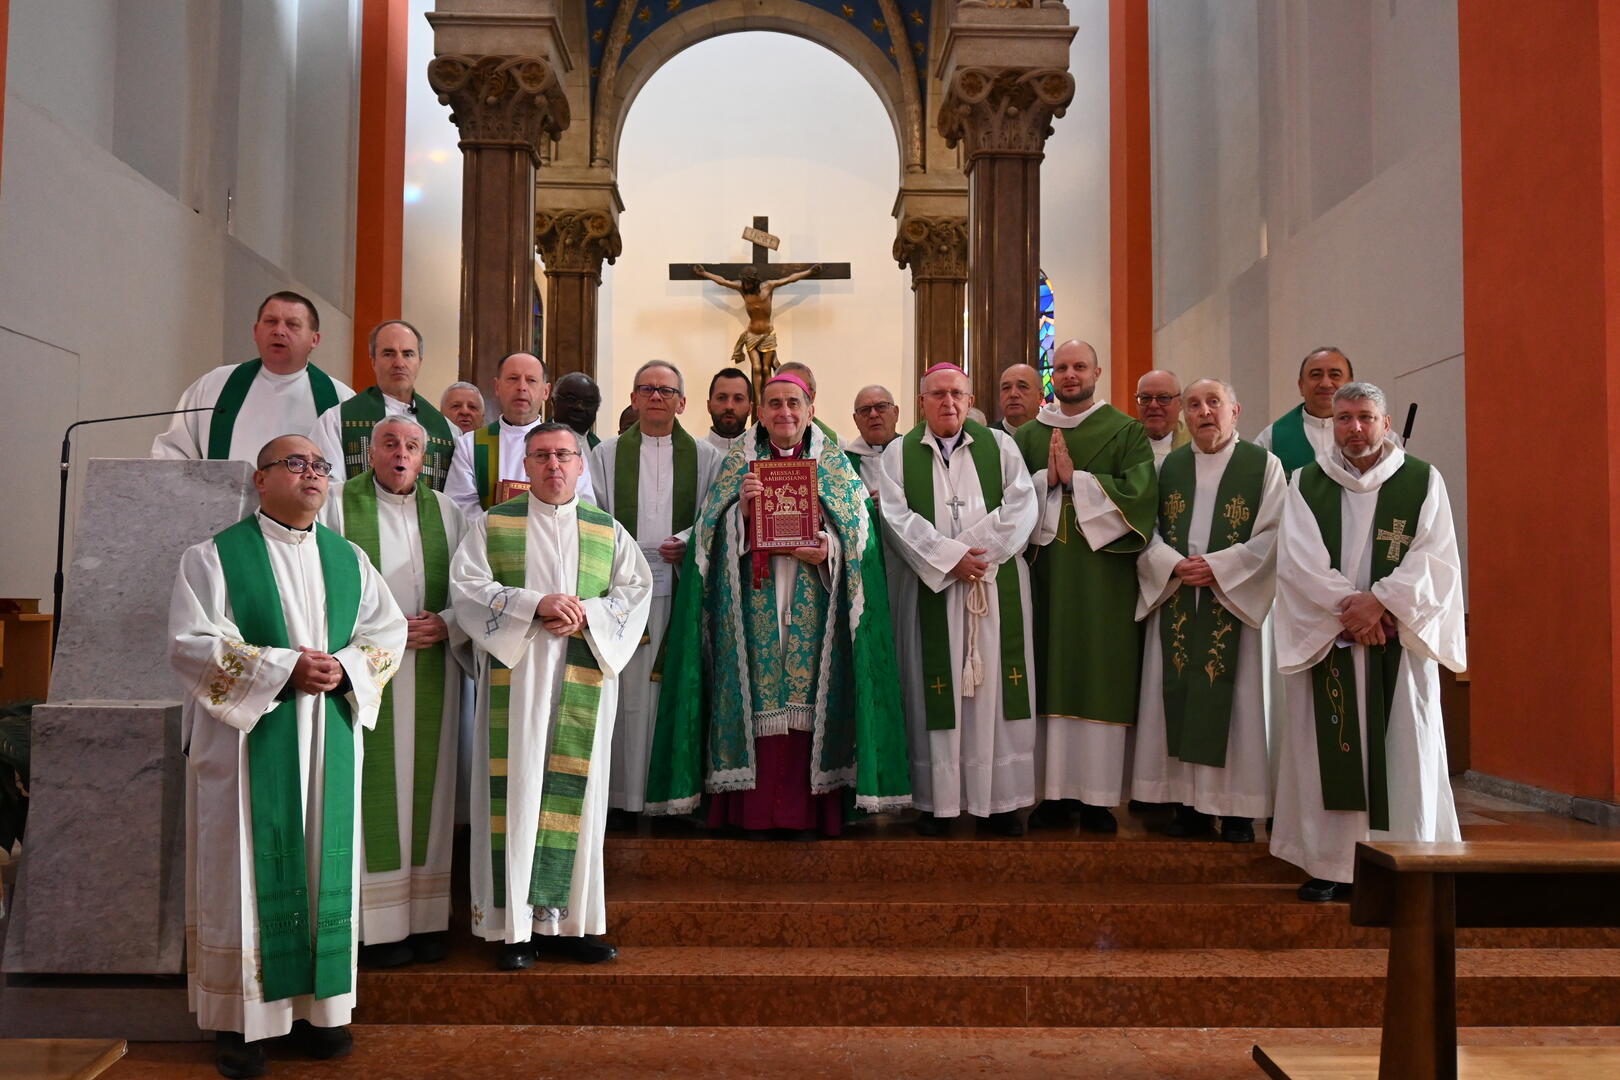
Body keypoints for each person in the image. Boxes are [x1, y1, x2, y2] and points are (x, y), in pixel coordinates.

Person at [168, 434, 406, 1078]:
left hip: (327, 733)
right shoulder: (213, 558)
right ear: (260, 479)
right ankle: (241, 1026)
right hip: (249, 744)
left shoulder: (349, 558)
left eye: (321, 466)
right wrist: (282, 669)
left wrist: (348, 665)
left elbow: (387, 632)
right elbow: (191, 644)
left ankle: (321, 1012)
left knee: (324, 864)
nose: (312, 474)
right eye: (295, 464)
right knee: (244, 872)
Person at [645, 371, 911, 835]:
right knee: (756, 693)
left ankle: (811, 812)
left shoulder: (834, 465)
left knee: (810, 696)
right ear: (761, 413)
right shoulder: (738, 463)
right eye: (774, 404)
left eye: (793, 403)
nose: (784, 412)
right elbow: (708, 537)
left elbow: (862, 540)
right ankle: (752, 811)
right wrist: (742, 518)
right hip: (754, 601)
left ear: (810, 411)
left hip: (816, 598)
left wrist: (829, 548)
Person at [449, 423, 653, 968]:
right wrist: (534, 604)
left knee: (578, 801)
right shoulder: (493, 525)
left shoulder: (607, 531)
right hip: (517, 680)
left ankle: (571, 925)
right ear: (528, 463)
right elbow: (467, 588)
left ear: (581, 465)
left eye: (564, 455)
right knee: (515, 792)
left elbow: (635, 593)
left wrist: (591, 612)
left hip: (585, 672)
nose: (554, 465)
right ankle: (512, 928)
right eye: (542, 456)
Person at [1270, 382, 1465, 901]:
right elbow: (1298, 562)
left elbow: (1436, 558)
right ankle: (1330, 864)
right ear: (1331, 424)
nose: (1354, 429)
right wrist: (1351, 610)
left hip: (1396, 643)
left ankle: (1406, 860)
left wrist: (1380, 602)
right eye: (1344, 419)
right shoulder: (1306, 482)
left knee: (1405, 746)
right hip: (1334, 640)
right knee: (1327, 750)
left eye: (1365, 417)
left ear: (1386, 422)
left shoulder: (1422, 480)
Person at [318, 416, 469, 968]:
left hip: (431, 668)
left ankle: (426, 920)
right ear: (368, 452)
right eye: (389, 444)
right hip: (364, 674)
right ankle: (373, 926)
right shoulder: (336, 505)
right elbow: (320, 582)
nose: (400, 454)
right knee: (369, 791)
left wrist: (449, 622)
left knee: (429, 792)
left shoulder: (449, 514)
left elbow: (472, 587)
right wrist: (377, 635)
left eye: (411, 446)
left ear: (424, 458)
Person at [877, 364, 1038, 837]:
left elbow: (1023, 504)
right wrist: (949, 558)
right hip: (931, 589)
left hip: (992, 587)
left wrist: (972, 555)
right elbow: (893, 515)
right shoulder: (897, 453)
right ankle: (936, 803)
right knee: (934, 692)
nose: (948, 403)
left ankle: (1002, 802)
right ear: (922, 401)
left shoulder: (1000, 446)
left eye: (957, 395)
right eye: (938, 395)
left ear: (969, 402)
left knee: (996, 692)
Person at [1132, 380, 1284, 843]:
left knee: (1237, 705)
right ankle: (1188, 806)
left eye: (1213, 403)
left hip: (1234, 599)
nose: (1204, 413)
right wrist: (1172, 564)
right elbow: (1145, 529)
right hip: (1179, 592)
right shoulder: (1169, 466)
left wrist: (1218, 566)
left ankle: (1238, 810)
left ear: (1235, 410)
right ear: (1185, 415)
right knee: (1176, 694)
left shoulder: (1264, 465)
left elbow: (1276, 533)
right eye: (1195, 405)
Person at [1015, 340, 1157, 833]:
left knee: (1100, 673)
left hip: (1103, 580)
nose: (1070, 375)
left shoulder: (1125, 431)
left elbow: (1142, 497)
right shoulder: (1030, 435)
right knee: (1047, 670)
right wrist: (1046, 483)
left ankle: (1097, 799)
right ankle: (1050, 794)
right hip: (1045, 576)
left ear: (1098, 371)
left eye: (1079, 366)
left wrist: (1080, 482)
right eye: (1061, 367)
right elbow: (1009, 501)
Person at [587, 362, 723, 821]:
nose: (656, 397)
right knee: (624, 691)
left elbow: (716, 513)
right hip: (621, 593)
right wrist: (623, 554)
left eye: (666, 390)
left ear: (682, 402)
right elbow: (591, 513)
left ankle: (674, 797)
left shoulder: (706, 458)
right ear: (633, 398)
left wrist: (686, 540)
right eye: (647, 389)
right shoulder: (604, 455)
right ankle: (623, 798)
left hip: (680, 591)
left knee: (675, 686)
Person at [153, 292, 354, 464]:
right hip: (226, 508)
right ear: (256, 331)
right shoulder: (215, 385)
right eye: (270, 322)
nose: (279, 331)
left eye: (292, 325)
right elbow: (173, 452)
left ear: (314, 339)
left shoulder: (341, 400)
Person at [444, 353, 595, 520]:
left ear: (545, 391)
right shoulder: (470, 444)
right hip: (492, 543)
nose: (521, 387)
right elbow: (460, 507)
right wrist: (505, 536)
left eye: (531, 380)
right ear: (497, 387)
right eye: (513, 378)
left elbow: (584, 504)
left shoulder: (569, 445)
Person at [309, 320, 458, 489]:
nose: (399, 363)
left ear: (420, 361)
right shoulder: (336, 421)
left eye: (408, 354)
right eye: (388, 354)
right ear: (373, 360)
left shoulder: (448, 431)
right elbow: (325, 487)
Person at [691, 262, 822, 396]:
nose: (746, 284)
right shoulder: (742, 289)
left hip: (767, 335)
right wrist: (703, 273)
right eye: (744, 281)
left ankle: (769, 396)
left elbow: (790, 279)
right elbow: (723, 282)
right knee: (757, 368)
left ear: (755, 281)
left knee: (766, 369)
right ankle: (758, 401)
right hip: (752, 335)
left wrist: (809, 272)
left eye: (748, 282)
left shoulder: (768, 287)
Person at [1255, 347, 1354, 476]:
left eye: (1335, 375)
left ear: (1351, 385)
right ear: (1301, 386)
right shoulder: (1270, 438)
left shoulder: (1375, 435)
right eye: (1316, 375)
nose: (1325, 383)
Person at [844, 384, 900, 498]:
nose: (873, 414)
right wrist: (865, 505)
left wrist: (892, 503)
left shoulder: (911, 452)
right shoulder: (844, 462)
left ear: (896, 412)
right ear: (855, 420)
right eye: (865, 410)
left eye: (881, 406)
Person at [1136, 369, 1191, 469]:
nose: (1153, 405)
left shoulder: (1195, 443)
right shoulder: (1124, 442)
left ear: (1181, 403)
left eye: (1164, 398)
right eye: (1145, 398)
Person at [704, 366, 753, 452]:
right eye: (721, 398)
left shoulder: (764, 458)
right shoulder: (692, 454)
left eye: (738, 399)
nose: (729, 406)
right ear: (709, 405)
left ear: (750, 408)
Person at [553, 371, 604, 449]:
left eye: (588, 402)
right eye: (571, 399)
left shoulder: (600, 448)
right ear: (554, 401)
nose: (579, 407)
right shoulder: (536, 439)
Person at [998, 363, 1044, 436]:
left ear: (1040, 396)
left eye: (1022, 386)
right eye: (1006, 387)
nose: (1013, 394)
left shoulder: (1056, 433)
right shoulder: (987, 437)